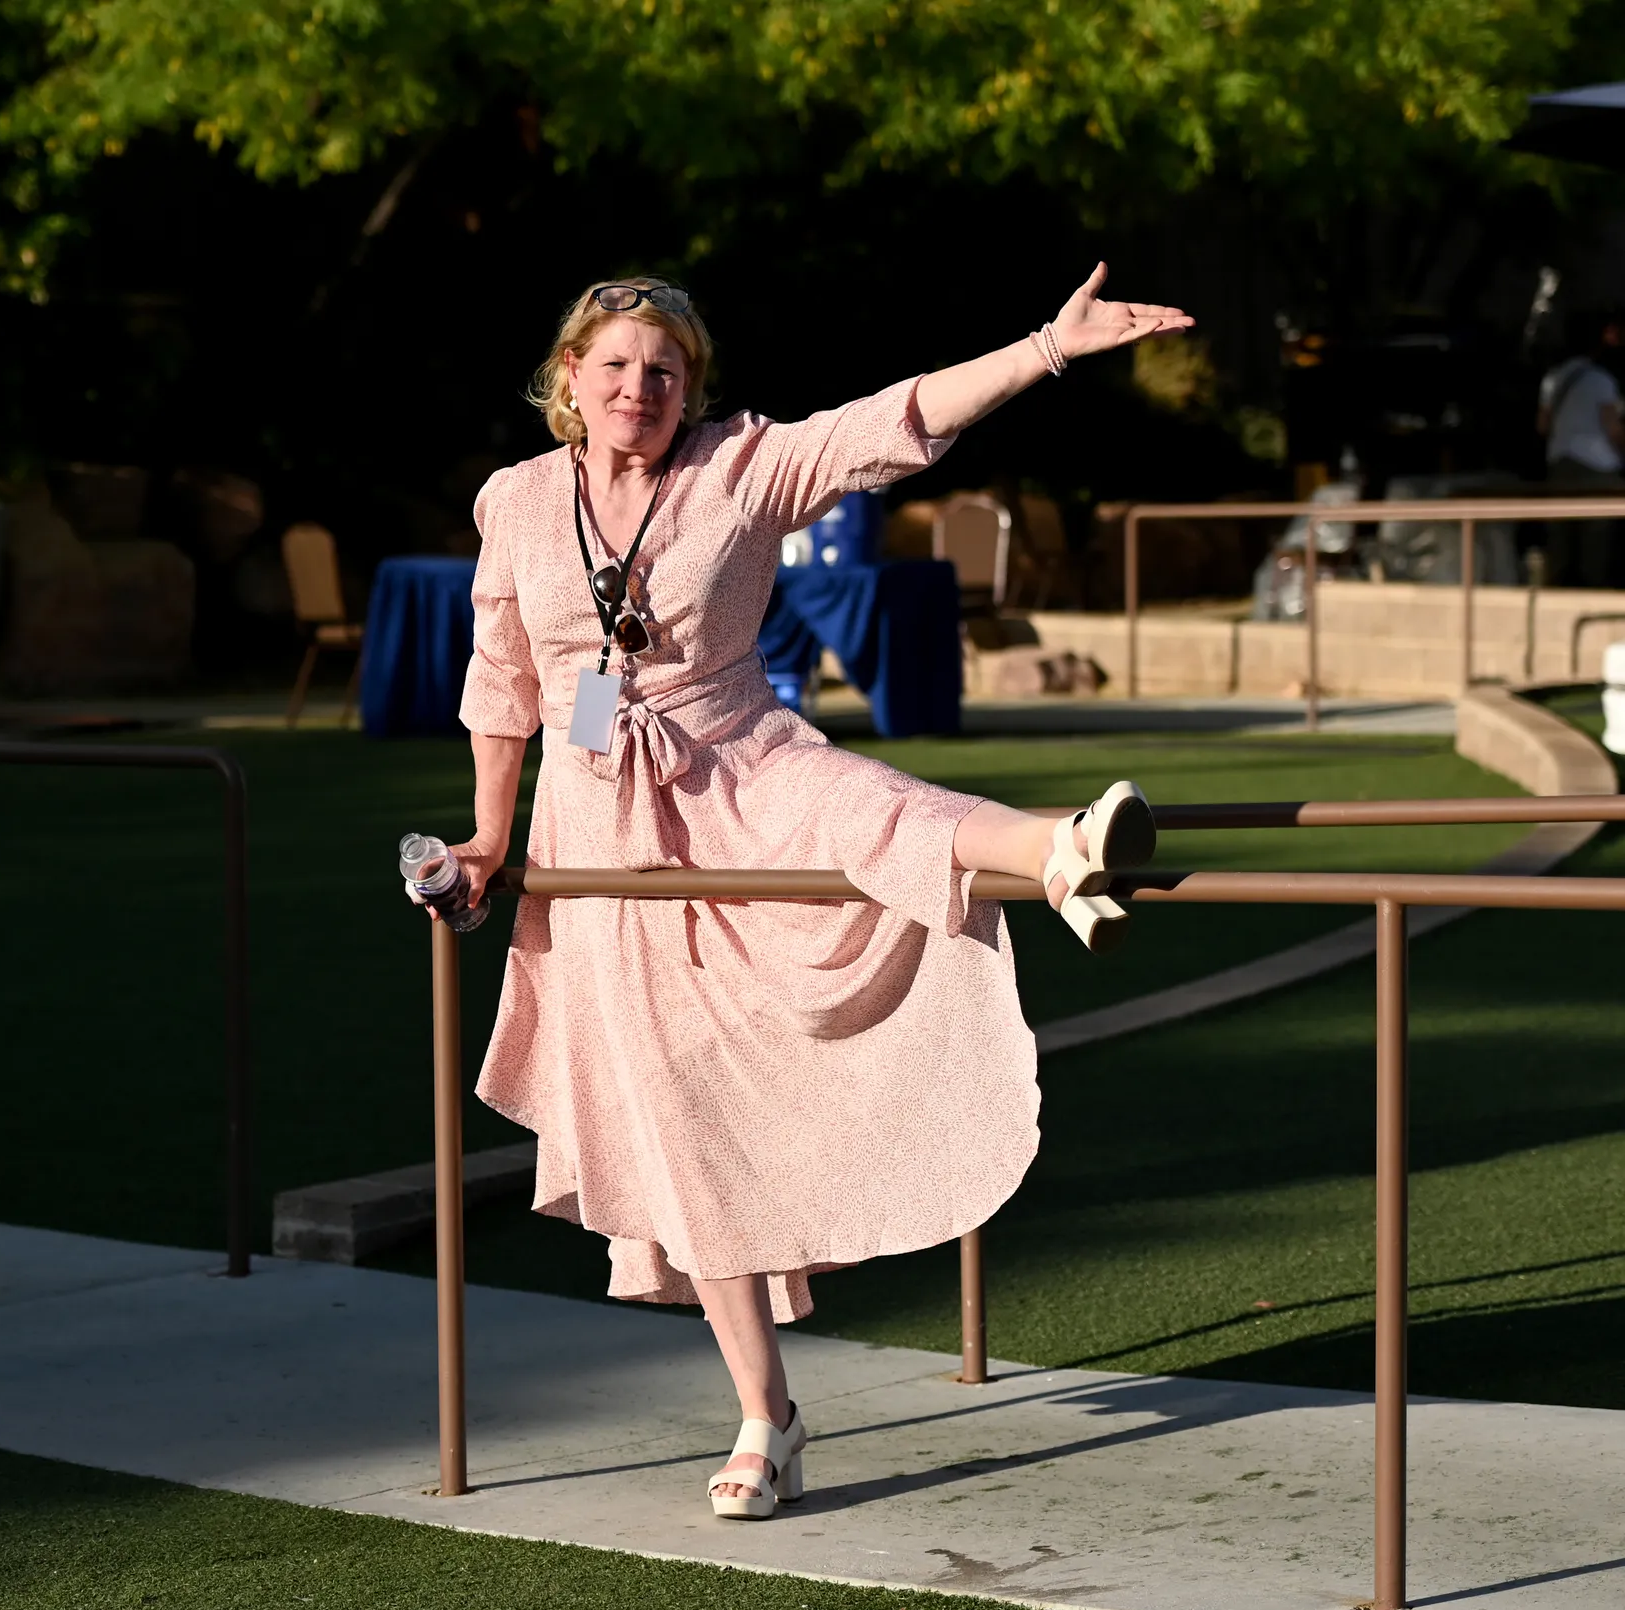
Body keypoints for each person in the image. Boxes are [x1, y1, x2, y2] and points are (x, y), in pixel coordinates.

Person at [428, 267, 1191, 1518]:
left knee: (871, 811)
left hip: (740, 758)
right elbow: (501, 682)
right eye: (616, 366)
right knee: (679, 1122)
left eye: (664, 371)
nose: (638, 389)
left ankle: (1060, 849)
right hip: (599, 824)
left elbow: (898, 420)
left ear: (691, 388)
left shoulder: (740, 467)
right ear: (570, 375)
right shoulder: (515, 500)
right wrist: (487, 837)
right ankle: (765, 1418)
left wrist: (1046, 347)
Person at [1538, 313, 1625, 587]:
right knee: (1596, 539)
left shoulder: (1552, 379)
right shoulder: (1602, 381)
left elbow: (1542, 425)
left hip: (1561, 463)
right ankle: (1592, 592)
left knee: (1560, 535)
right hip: (1598, 467)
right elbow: (1613, 429)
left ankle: (1557, 591)